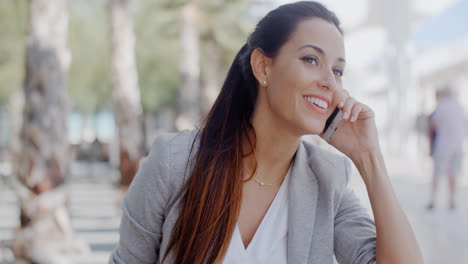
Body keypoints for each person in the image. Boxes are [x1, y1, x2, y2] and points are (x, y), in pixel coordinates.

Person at [109, 2, 423, 263]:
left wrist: (368, 158)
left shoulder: (327, 181)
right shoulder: (175, 162)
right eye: (311, 59)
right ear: (263, 67)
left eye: (338, 70)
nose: (330, 82)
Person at [427, 87, 465, 210]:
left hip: (443, 145)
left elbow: (434, 125)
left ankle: (433, 201)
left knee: (437, 174)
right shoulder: (459, 106)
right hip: (458, 146)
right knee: (453, 174)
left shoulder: (441, 106)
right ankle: (452, 201)